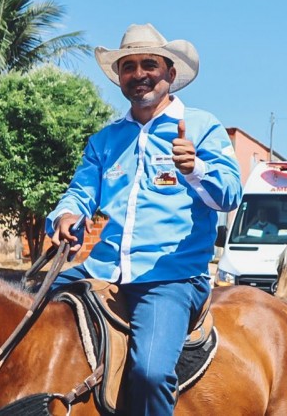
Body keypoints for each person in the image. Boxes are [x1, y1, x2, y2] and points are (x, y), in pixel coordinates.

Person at [47, 24, 242, 416]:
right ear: (120, 78)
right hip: (102, 268)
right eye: (129, 67)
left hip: (171, 276)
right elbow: (81, 193)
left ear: (170, 73)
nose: (139, 74)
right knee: (25, 318)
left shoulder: (202, 127)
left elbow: (230, 194)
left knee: (150, 372)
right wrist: (67, 215)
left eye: (149, 64)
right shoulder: (105, 140)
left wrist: (196, 169)